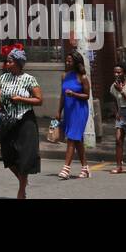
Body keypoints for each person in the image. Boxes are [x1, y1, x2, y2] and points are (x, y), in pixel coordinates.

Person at [0, 44, 44, 199]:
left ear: (18, 63)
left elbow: (39, 100)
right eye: (7, 61)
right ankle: (22, 180)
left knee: (25, 158)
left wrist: (21, 99)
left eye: (10, 61)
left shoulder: (29, 80)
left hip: (25, 122)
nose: (7, 64)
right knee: (8, 156)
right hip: (7, 121)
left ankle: (21, 190)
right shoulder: (3, 77)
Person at [57, 50, 91, 179]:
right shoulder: (64, 76)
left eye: (70, 61)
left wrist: (74, 94)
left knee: (71, 137)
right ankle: (85, 168)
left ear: (76, 62)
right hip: (69, 110)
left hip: (80, 110)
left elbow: (87, 96)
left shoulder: (82, 77)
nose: (67, 62)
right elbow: (62, 95)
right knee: (77, 140)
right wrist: (58, 112)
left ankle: (66, 168)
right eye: (67, 60)